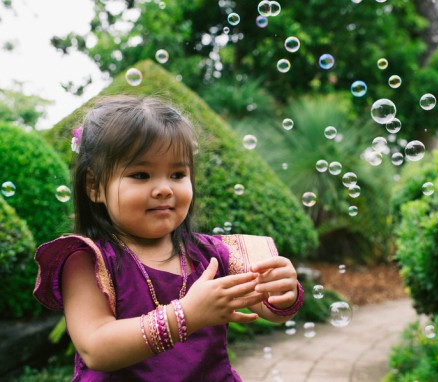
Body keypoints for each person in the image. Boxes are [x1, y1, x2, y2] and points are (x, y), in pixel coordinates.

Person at [33, 95, 304, 381]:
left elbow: (269, 307)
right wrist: (185, 315)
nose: (164, 188)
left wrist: (281, 291)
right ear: (95, 186)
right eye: (140, 174)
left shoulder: (213, 253)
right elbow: (96, 348)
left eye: (177, 174)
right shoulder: (87, 260)